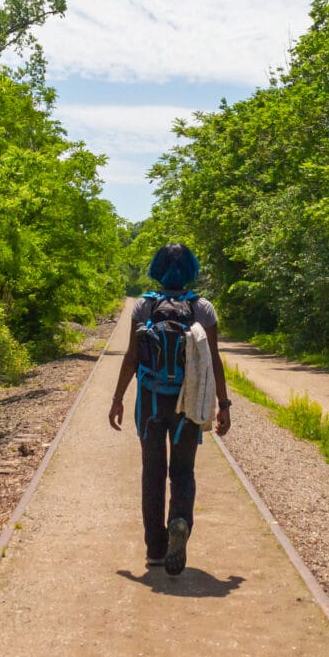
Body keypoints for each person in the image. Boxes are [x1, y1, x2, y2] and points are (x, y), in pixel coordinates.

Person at [108, 243, 231, 575]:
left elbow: (132, 358)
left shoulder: (144, 306)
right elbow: (213, 361)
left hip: (150, 402)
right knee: (182, 471)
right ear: (191, 270)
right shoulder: (203, 308)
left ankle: (156, 551)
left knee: (152, 474)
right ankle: (179, 521)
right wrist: (224, 404)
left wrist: (118, 398)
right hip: (187, 403)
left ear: (156, 269)